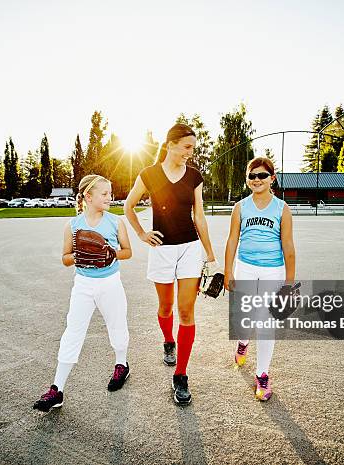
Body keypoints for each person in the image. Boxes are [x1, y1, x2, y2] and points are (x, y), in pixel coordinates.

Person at [124, 123, 216, 405]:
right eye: (187, 147)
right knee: (165, 308)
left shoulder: (194, 177)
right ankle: (168, 341)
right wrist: (141, 234)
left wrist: (210, 255)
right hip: (162, 249)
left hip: (189, 248)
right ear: (171, 144)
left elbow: (198, 216)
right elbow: (128, 206)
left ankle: (181, 374)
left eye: (193, 147)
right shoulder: (149, 174)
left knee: (186, 312)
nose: (191, 152)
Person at [33, 174, 132, 412]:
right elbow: (65, 258)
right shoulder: (73, 225)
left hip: (110, 283)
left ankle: (121, 364)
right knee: (73, 332)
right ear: (88, 196)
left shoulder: (116, 222)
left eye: (110, 193)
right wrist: (80, 256)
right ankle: (57, 389)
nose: (110, 197)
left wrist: (111, 253)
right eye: (104, 194)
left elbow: (128, 252)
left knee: (117, 326)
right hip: (84, 286)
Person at [224, 157, 296, 401]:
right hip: (245, 268)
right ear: (247, 180)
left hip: (272, 272)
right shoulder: (240, 207)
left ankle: (262, 374)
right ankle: (243, 342)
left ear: (272, 178)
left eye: (262, 175)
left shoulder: (282, 208)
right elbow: (233, 240)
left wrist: (289, 283)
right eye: (252, 176)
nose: (257, 180)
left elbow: (288, 246)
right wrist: (228, 271)